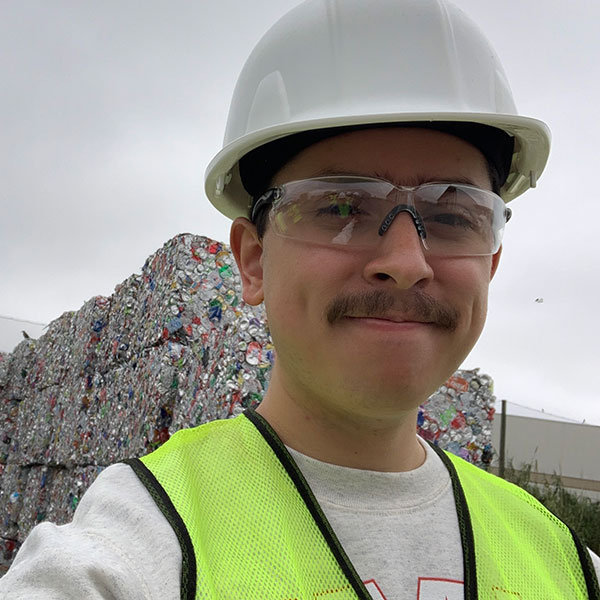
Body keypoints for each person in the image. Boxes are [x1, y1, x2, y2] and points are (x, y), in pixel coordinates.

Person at [2, 0, 599, 598]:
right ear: (254, 260)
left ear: (490, 263)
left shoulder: (562, 562)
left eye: (451, 215)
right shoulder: (141, 546)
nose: (405, 264)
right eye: (341, 207)